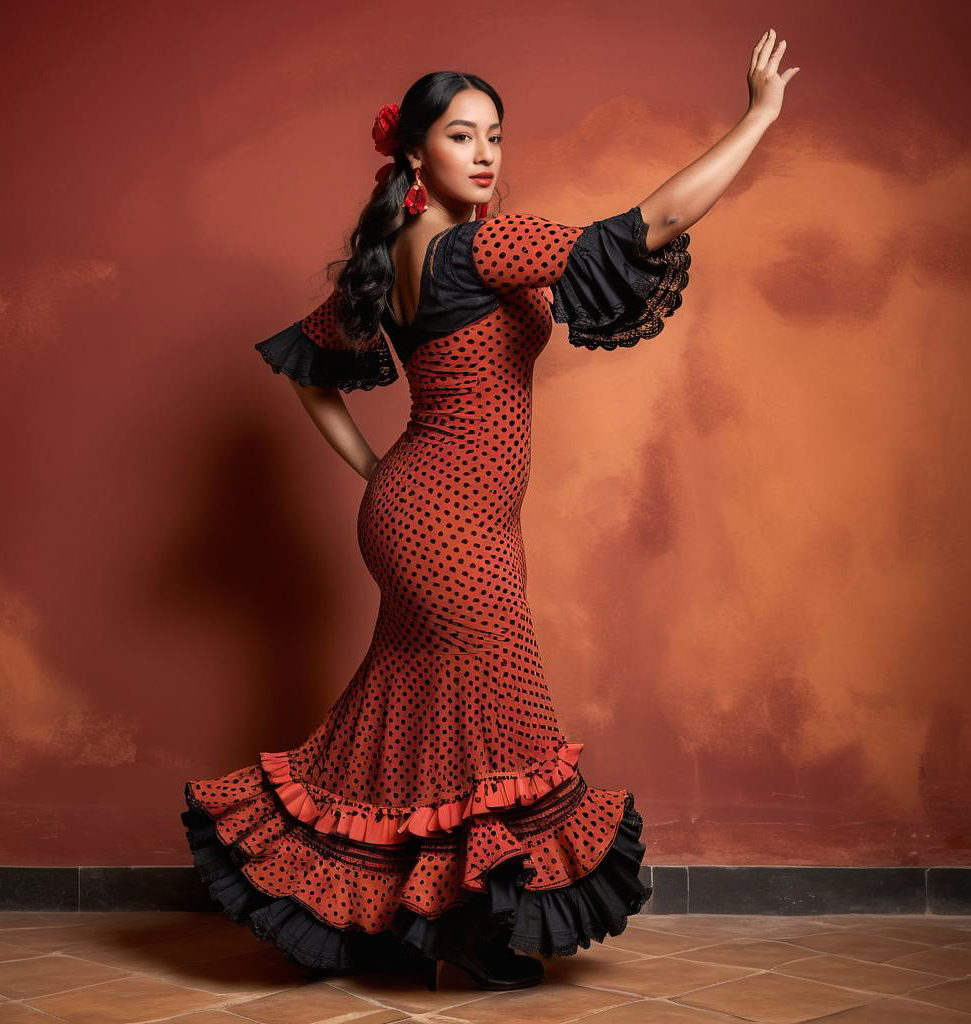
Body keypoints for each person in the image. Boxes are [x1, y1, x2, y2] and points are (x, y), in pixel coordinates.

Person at [181, 31, 798, 992]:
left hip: (423, 510)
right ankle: (470, 928)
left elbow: (314, 383)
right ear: (415, 155)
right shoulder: (482, 246)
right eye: (462, 136)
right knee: (501, 711)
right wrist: (756, 117)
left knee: (406, 713)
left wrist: (384, 474)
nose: (486, 155)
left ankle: (384, 917)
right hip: (448, 526)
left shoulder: (390, 255)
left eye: (496, 137)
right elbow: (649, 224)